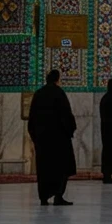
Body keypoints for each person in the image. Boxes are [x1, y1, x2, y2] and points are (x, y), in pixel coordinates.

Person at [27, 69, 77, 206]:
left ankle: (44, 197)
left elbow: (32, 119)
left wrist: (35, 136)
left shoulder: (38, 94)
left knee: (44, 169)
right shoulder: (59, 93)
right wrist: (70, 131)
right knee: (61, 168)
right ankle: (58, 196)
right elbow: (66, 115)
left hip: (43, 140)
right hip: (59, 140)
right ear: (57, 79)